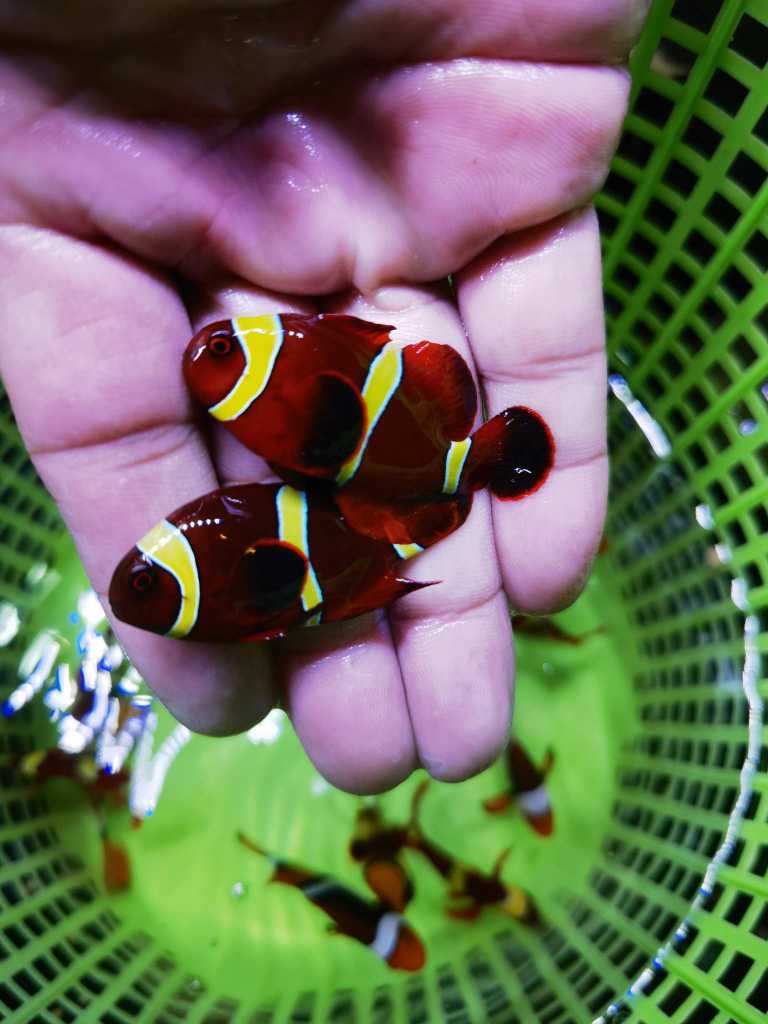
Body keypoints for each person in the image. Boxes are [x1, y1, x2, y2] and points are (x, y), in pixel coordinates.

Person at [0, 0, 647, 795]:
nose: (213, 357)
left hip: (385, 459)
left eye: (229, 352)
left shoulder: (265, 406)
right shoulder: (260, 425)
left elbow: (307, 441)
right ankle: (459, 471)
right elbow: (295, 466)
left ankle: (468, 464)